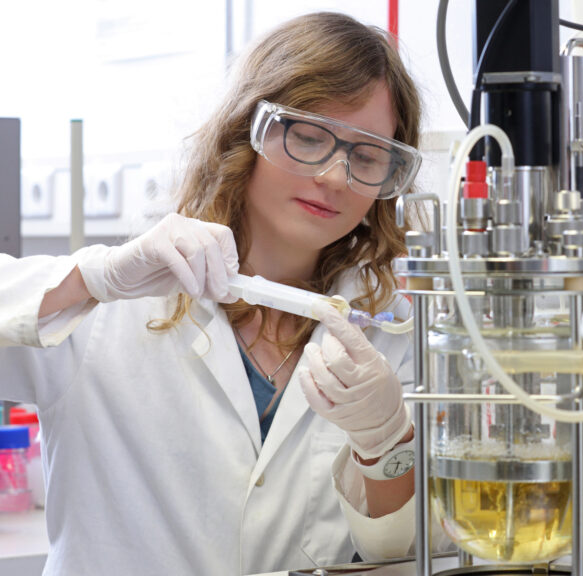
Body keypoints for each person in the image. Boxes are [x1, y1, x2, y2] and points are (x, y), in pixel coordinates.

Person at [0, 12, 424, 575]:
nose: (336, 177)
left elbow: (397, 553)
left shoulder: (394, 331)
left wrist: (385, 444)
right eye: (309, 136)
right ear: (246, 130)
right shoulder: (110, 306)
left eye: (367, 155)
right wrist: (92, 278)